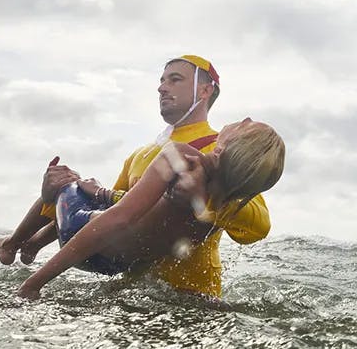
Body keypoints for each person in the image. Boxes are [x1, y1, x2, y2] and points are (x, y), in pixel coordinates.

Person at [0, 55, 273, 298]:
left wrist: (205, 199)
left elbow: (258, 228)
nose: (162, 87)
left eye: (175, 79)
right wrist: (49, 199)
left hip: (193, 294)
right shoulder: (141, 154)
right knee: (66, 185)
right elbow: (107, 220)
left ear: (205, 90)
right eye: (162, 81)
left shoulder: (221, 150)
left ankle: (16, 243)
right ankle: (24, 243)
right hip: (130, 293)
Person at [17, 118, 285, 300]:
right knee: (99, 194)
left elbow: (118, 219)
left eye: (246, 125)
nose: (245, 118)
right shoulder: (230, 206)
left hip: (84, 236)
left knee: (70, 183)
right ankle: (28, 245)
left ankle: (17, 244)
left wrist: (34, 284)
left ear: (224, 147)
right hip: (116, 267)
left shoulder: (180, 157)